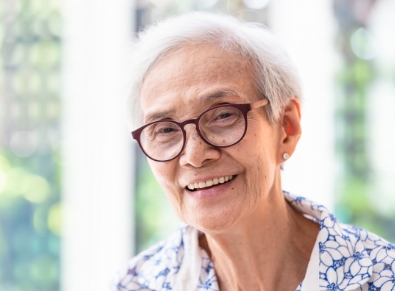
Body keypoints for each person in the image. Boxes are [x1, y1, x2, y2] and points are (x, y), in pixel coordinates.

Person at [113, 12, 395, 291]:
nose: (195, 155)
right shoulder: (137, 283)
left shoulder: (382, 278)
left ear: (286, 127)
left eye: (223, 115)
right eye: (164, 130)